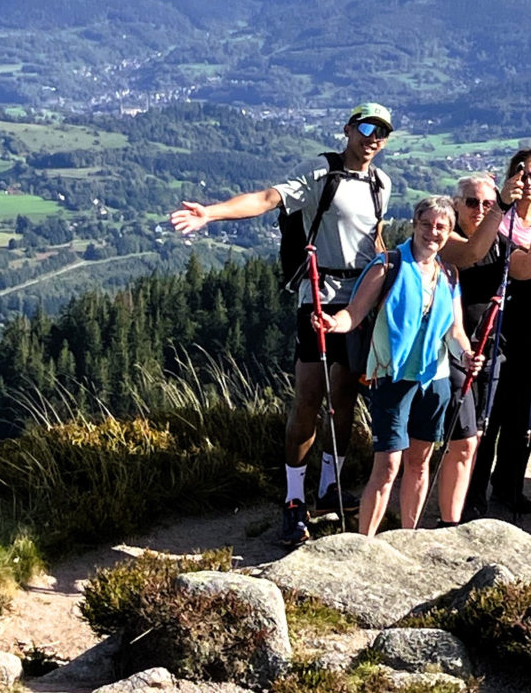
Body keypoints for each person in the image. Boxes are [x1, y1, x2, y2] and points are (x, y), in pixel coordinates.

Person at [168, 103, 394, 546]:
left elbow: (375, 238)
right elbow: (267, 198)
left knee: (345, 397)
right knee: (309, 397)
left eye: (382, 131)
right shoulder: (320, 174)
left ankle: (329, 488)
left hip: (360, 301)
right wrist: (210, 213)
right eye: (367, 127)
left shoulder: (380, 183)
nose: (373, 137)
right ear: (348, 129)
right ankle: (294, 499)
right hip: (319, 297)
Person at [318, 196, 482, 532]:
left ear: (450, 232)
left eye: (441, 227)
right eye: (427, 224)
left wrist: (466, 355)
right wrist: (333, 323)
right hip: (392, 377)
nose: (432, 233)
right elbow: (355, 313)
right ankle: (365, 544)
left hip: (433, 379)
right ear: (415, 224)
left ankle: (409, 537)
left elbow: (456, 331)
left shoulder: (449, 275)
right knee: (388, 465)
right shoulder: (387, 265)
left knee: (419, 463)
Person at [434, 169, 531, 525]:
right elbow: (470, 254)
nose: (479, 209)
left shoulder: (500, 237)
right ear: (455, 205)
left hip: (493, 345)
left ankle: (477, 494)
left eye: (485, 202)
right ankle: (459, 500)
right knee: (466, 431)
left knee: (488, 426)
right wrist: (501, 207)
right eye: (471, 202)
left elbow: (526, 270)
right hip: (455, 348)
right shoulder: (447, 239)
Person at [460, 151, 531, 520]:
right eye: (523, 174)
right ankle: (474, 492)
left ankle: (509, 485)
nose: (530, 182)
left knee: (519, 416)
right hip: (496, 328)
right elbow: (516, 268)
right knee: (490, 416)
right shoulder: (499, 224)